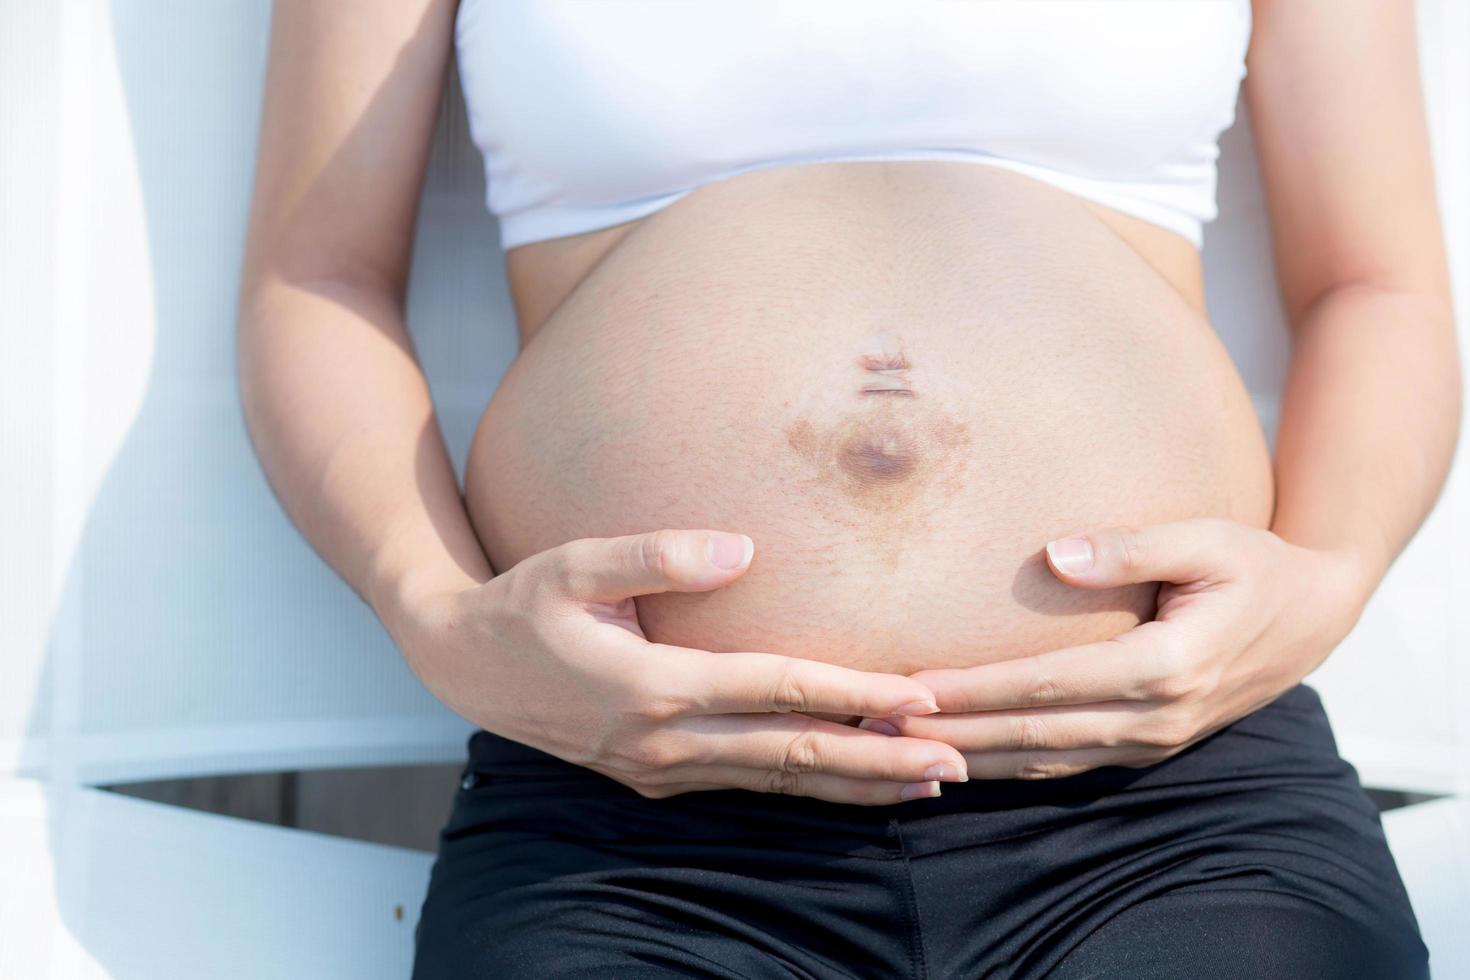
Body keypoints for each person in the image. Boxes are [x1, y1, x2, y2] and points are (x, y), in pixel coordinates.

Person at [236, 1, 1458, 976]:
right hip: (633, 805)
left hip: (1166, 791)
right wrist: (432, 610)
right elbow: (317, 276)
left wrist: (1327, 577)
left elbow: (1376, 284)